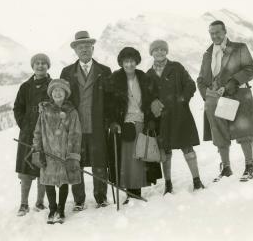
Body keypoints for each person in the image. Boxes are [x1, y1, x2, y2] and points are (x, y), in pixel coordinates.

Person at [197, 20, 253, 182]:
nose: (214, 36)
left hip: (237, 95)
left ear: (225, 32)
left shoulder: (239, 48)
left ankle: (249, 166)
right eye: (211, 33)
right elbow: (201, 78)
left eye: (217, 32)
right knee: (220, 133)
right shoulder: (207, 54)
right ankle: (226, 168)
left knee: (243, 131)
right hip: (215, 100)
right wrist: (206, 92)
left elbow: (251, 69)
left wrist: (231, 83)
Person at [60, 31, 112, 210]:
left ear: (93, 48)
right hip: (75, 127)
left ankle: (101, 198)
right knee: (76, 163)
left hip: (97, 125)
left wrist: (110, 121)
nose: (84, 49)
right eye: (80, 47)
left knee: (99, 163)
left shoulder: (104, 71)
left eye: (87, 46)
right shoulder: (66, 72)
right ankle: (79, 200)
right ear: (75, 50)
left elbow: (110, 98)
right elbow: (62, 100)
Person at [146, 40, 204, 194]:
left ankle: (197, 181)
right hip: (161, 118)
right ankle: (168, 184)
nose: (159, 52)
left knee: (187, 147)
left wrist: (182, 99)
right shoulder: (149, 74)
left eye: (162, 49)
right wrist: (153, 102)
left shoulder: (176, 67)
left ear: (167, 51)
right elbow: (147, 96)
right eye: (156, 50)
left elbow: (190, 84)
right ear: (151, 53)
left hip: (180, 115)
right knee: (165, 151)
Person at [108, 47, 162, 204]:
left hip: (142, 122)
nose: (129, 64)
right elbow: (109, 104)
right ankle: (130, 192)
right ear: (121, 63)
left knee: (140, 158)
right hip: (124, 125)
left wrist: (151, 119)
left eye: (132, 61)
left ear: (136, 62)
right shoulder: (114, 79)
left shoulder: (144, 78)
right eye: (126, 61)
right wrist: (113, 121)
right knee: (127, 160)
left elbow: (152, 99)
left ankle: (136, 191)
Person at [32, 79, 82, 224]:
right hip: (48, 154)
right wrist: (36, 148)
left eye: (61, 90)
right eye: (55, 90)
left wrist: (72, 154)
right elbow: (38, 131)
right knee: (49, 181)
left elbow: (76, 134)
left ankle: (61, 209)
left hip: (64, 154)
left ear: (66, 94)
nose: (58, 93)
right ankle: (52, 209)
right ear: (51, 93)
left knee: (64, 181)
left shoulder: (71, 112)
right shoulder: (45, 111)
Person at [13, 53, 51, 216]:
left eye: (43, 63)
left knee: (42, 167)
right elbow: (18, 108)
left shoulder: (52, 85)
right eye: (37, 63)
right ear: (33, 66)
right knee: (26, 169)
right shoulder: (25, 87)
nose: (40, 65)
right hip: (27, 134)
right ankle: (23, 204)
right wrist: (24, 124)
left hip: (46, 133)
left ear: (48, 66)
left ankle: (40, 202)